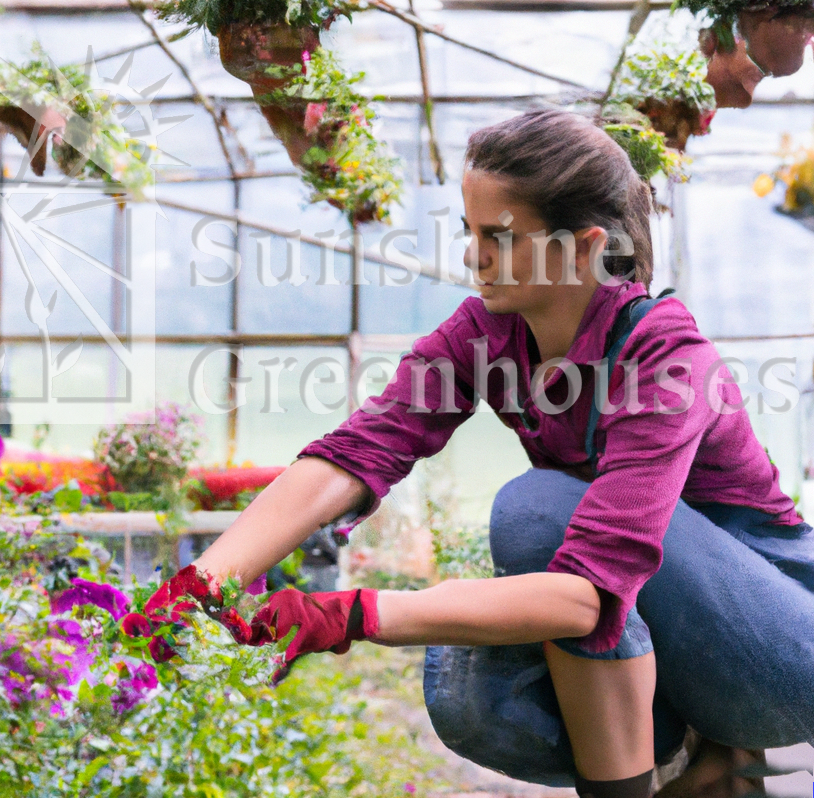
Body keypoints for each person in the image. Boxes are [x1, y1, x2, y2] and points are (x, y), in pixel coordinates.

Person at [144, 110, 814, 798]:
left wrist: (353, 614)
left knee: (537, 511)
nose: (473, 256)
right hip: (674, 648)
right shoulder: (488, 335)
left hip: (785, 649)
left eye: (500, 236)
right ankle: (685, 764)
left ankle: (722, 749)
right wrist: (203, 583)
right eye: (470, 231)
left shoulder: (664, 356)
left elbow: (587, 596)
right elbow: (359, 451)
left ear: (582, 249)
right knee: (470, 691)